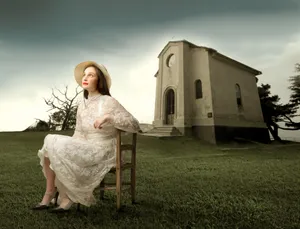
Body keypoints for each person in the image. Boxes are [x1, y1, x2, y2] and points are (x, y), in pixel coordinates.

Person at [32, 61, 141, 213]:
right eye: (84, 75)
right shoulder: (81, 104)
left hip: (104, 148)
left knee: (52, 142)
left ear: (99, 80)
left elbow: (134, 124)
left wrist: (109, 117)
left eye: (91, 75)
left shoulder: (108, 101)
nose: (85, 78)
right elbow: (79, 132)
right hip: (85, 145)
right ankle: (50, 193)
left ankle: (64, 197)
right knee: (49, 143)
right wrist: (72, 146)